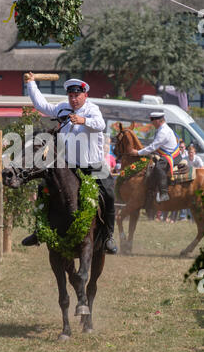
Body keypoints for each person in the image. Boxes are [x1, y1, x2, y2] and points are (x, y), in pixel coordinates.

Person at [22, 72, 117, 254]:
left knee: (110, 194)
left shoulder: (92, 109)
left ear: (85, 95)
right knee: (43, 188)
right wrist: (31, 83)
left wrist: (83, 120)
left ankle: (108, 237)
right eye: (71, 96)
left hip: (93, 166)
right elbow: (41, 105)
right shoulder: (63, 108)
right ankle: (38, 231)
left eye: (77, 96)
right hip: (69, 166)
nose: (73, 99)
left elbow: (100, 125)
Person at [129, 112, 182, 202]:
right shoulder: (162, 129)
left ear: (158, 121)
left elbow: (153, 146)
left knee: (158, 167)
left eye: (152, 120)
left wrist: (137, 153)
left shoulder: (163, 131)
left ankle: (164, 193)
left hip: (171, 156)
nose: (151, 123)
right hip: (165, 153)